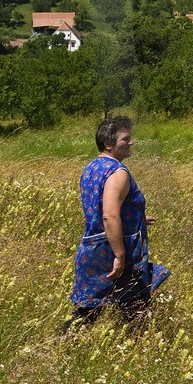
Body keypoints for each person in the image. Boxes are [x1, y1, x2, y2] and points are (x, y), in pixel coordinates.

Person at [66, 116, 170, 330]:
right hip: (115, 253)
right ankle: (143, 353)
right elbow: (109, 215)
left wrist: (138, 218)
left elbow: (104, 209)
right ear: (108, 144)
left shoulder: (92, 168)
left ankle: (64, 349)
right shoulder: (117, 172)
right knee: (137, 311)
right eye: (126, 139)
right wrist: (119, 255)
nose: (131, 142)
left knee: (86, 314)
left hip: (91, 249)